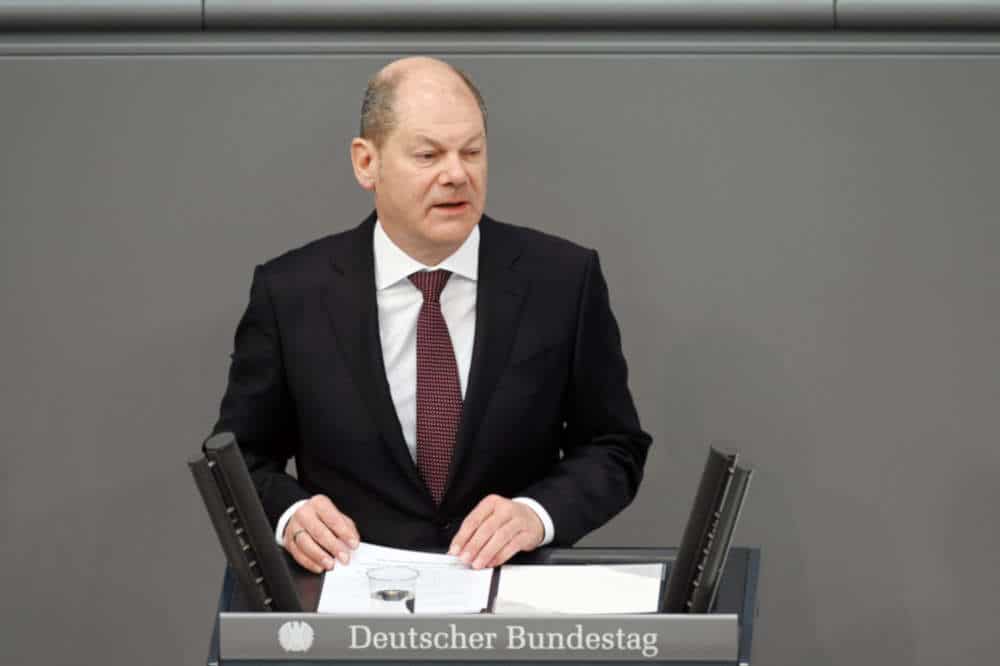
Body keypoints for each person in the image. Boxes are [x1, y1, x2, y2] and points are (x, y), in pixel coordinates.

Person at [212, 56, 651, 575]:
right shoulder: (291, 293)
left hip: (511, 606)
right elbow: (238, 460)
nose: (456, 174)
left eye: (472, 152)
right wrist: (290, 515)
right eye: (428, 155)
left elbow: (613, 446)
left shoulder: (562, 280)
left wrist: (536, 515)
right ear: (365, 163)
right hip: (353, 612)